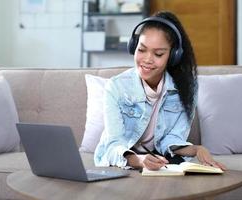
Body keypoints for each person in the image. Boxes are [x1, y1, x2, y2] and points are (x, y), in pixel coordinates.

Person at [94, 11, 226, 171]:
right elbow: (114, 144)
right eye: (141, 50)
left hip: (160, 160)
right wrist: (139, 160)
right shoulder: (116, 87)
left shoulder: (186, 88)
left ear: (173, 56)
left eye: (158, 54)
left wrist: (197, 149)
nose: (147, 59)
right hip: (127, 161)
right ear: (133, 47)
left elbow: (171, 139)